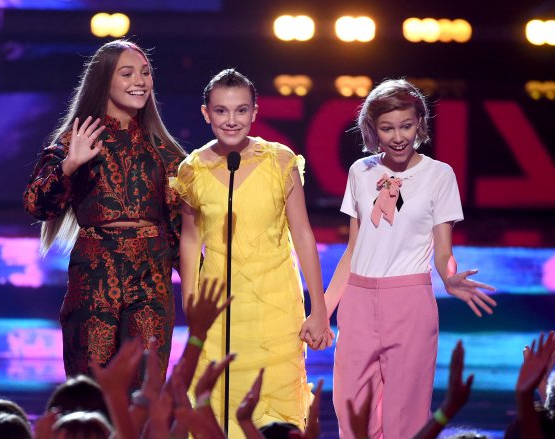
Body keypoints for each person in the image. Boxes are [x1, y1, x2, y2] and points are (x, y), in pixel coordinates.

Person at [324, 78, 497, 438]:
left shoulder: (439, 175)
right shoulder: (361, 171)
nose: (398, 136)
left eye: (406, 125)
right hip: (357, 300)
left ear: (420, 123)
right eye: (387, 128)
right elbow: (353, 249)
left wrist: (450, 277)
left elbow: (443, 251)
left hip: (410, 303)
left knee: (405, 418)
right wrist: (321, 311)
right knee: (351, 411)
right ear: (373, 130)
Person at [170, 68, 331, 435]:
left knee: (274, 411)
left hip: (274, 307)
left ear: (255, 112)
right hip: (217, 305)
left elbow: (303, 235)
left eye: (241, 110)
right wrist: (191, 301)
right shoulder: (192, 169)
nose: (232, 120)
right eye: (222, 111)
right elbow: (191, 239)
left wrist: (318, 308)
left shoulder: (280, 161)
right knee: (212, 404)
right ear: (206, 113)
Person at [23, 39, 186, 380]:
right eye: (127, 74)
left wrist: (199, 285)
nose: (139, 81)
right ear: (103, 81)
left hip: (151, 276)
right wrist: (69, 166)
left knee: (143, 389)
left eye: (145, 73)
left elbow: (181, 231)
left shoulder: (166, 152)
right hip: (95, 273)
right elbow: (36, 205)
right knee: (91, 387)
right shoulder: (77, 140)